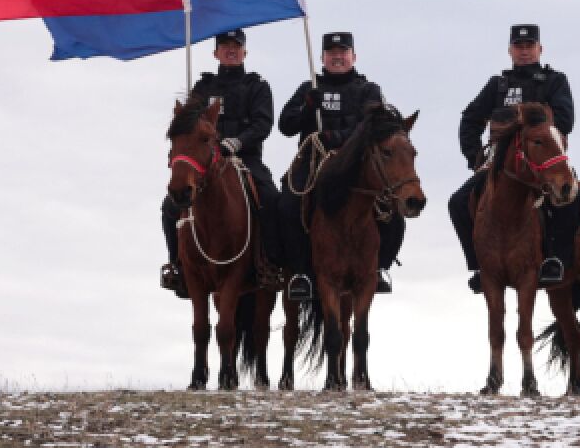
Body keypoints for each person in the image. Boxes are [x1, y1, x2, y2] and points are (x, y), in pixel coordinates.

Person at [450, 24, 579, 293]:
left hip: (544, 165)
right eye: (519, 47)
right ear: (510, 50)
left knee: (572, 201)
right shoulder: (497, 85)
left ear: (539, 49)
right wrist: (474, 156)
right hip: (501, 166)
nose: (524, 52)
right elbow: (470, 119)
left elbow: (565, 120)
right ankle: (478, 265)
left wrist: (521, 121)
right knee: (458, 202)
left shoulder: (555, 81)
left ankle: (556, 259)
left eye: (529, 46)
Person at [276, 31, 401, 300]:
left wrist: (339, 137)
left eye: (343, 52)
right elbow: (285, 126)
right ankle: (299, 273)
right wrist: (308, 108)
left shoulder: (368, 90)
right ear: (322, 57)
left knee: (392, 209)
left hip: (355, 166)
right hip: (313, 161)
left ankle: (380, 267)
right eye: (332, 53)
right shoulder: (309, 86)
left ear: (353, 57)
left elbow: (373, 126)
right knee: (285, 205)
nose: (337, 57)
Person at [160, 29, 280, 298]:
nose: (231, 50)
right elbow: (188, 126)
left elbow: (263, 124)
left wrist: (236, 143)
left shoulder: (257, 86)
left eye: (236, 46)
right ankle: (177, 264)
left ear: (244, 52)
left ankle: (270, 263)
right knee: (170, 206)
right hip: (207, 162)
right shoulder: (203, 88)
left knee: (272, 199)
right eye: (225, 46)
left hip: (245, 157)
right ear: (215, 53)